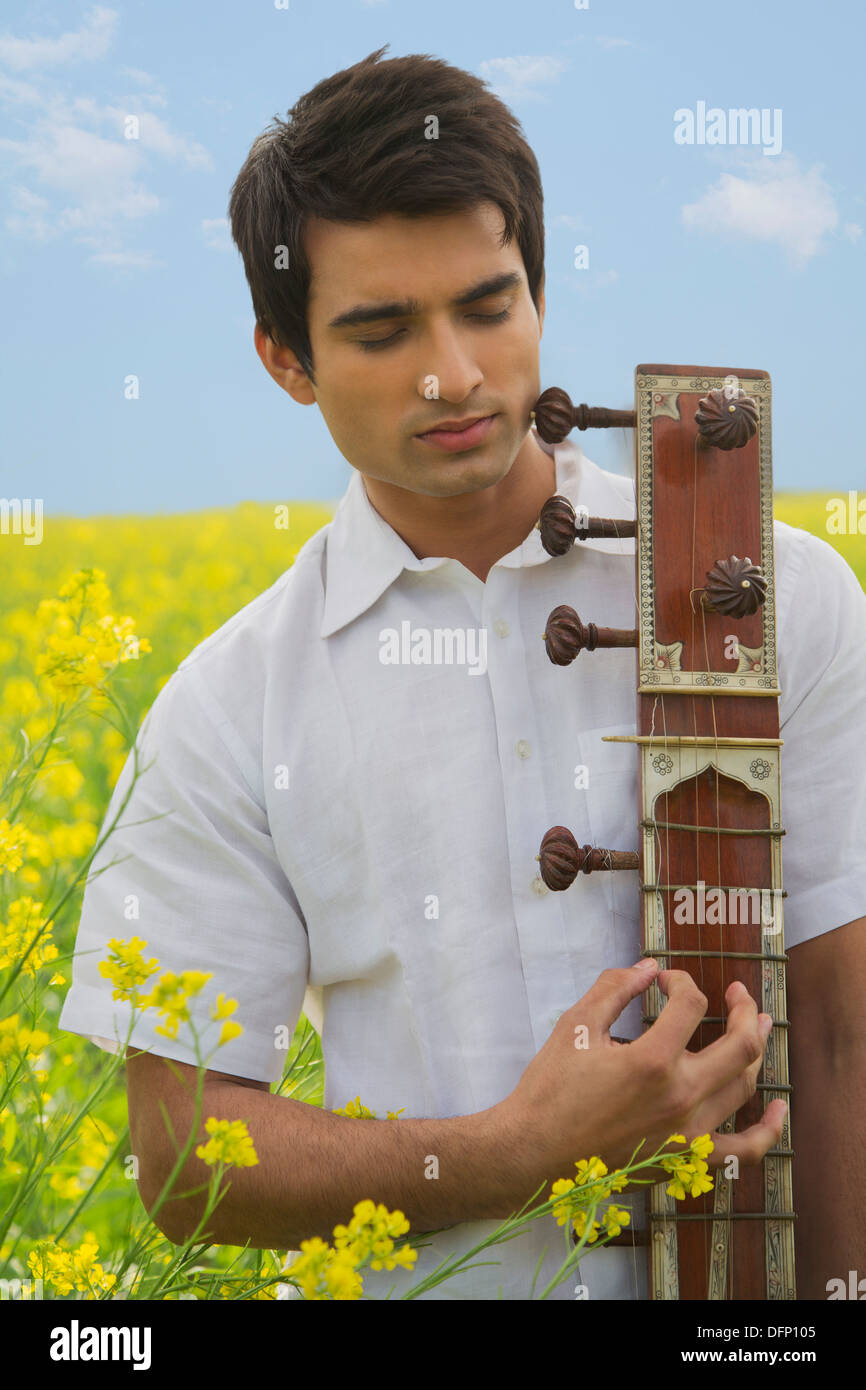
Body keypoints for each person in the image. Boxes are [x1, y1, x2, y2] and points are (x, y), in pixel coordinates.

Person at [58, 46, 866, 1301]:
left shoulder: (774, 597)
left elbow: (839, 1032)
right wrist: (525, 1154)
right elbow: (182, 1156)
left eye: (487, 306)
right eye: (379, 330)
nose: (453, 373)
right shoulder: (227, 708)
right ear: (284, 357)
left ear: (538, 291)